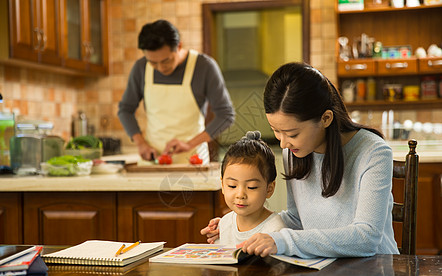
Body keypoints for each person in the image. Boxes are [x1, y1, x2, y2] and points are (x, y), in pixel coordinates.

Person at [201, 62, 400, 258]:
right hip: (321, 270)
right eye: (276, 131)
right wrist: (240, 224)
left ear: (326, 119)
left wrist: (281, 241)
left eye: (292, 133)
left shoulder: (373, 152)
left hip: (372, 272)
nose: (284, 143)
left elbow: (367, 238)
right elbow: (296, 219)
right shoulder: (294, 152)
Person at [118, 19, 235, 164]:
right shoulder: (140, 68)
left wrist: (189, 144)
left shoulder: (204, 67)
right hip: (154, 161)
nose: (160, 68)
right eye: (153, 62)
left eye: (166, 61)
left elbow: (226, 115)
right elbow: (125, 110)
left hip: (193, 160)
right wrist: (141, 143)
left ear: (179, 46)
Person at [217, 131, 285, 246]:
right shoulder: (224, 223)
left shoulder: (275, 230)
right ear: (223, 186)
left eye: (251, 187)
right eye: (232, 186)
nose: (240, 194)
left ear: (269, 189)